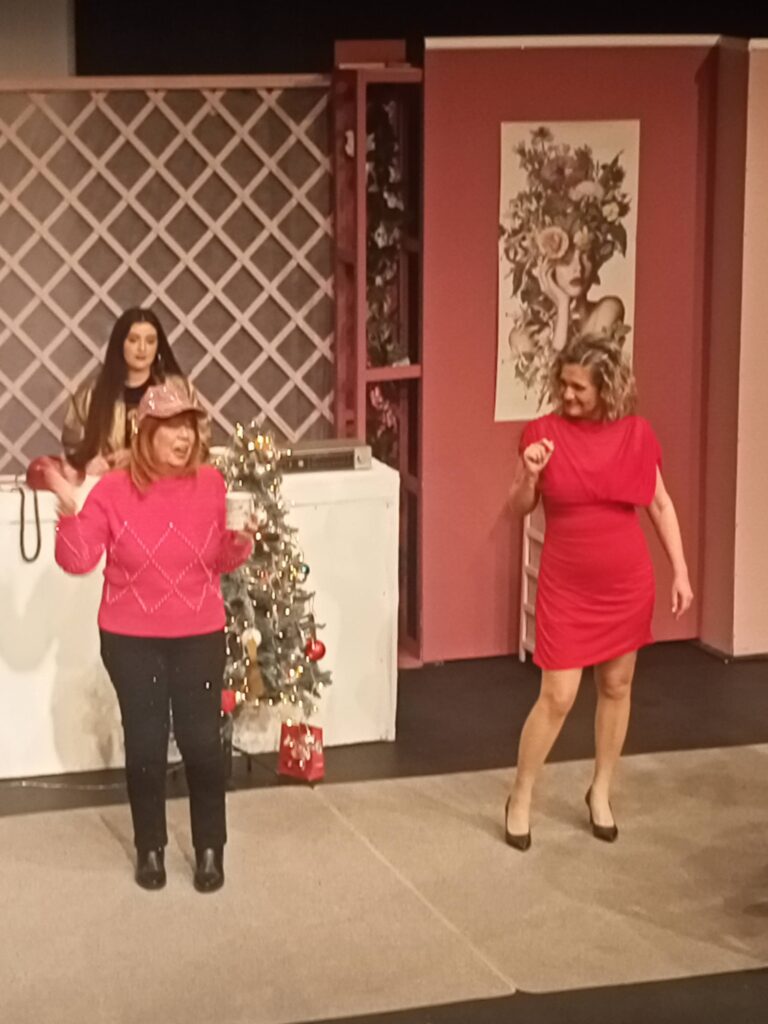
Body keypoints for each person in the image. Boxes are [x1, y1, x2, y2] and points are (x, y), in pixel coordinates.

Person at [47, 380, 254, 892]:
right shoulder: (114, 490)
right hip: (130, 636)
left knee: (202, 744)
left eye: (190, 428)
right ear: (146, 433)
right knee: (145, 745)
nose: (185, 438)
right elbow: (78, 561)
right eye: (173, 428)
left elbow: (219, 560)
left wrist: (241, 542)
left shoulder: (212, 484)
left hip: (199, 631)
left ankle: (210, 848)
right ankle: (151, 848)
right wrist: (69, 513)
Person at [505, 333, 694, 850]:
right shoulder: (543, 434)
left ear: (606, 388)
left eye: (579, 388)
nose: (567, 395)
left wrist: (680, 570)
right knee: (558, 696)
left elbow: (660, 505)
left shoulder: (636, 434)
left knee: (616, 685)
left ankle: (601, 791)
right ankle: (521, 795)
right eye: (563, 384)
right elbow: (518, 506)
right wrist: (530, 474)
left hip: (625, 584)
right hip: (567, 585)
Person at [61, 307, 208, 476]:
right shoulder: (91, 394)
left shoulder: (179, 389)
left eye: (150, 341)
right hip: (108, 482)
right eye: (133, 340)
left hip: (163, 482)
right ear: (120, 344)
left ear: (158, 346)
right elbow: (72, 446)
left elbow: (202, 443)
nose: (142, 348)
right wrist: (91, 462)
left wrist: (139, 457)